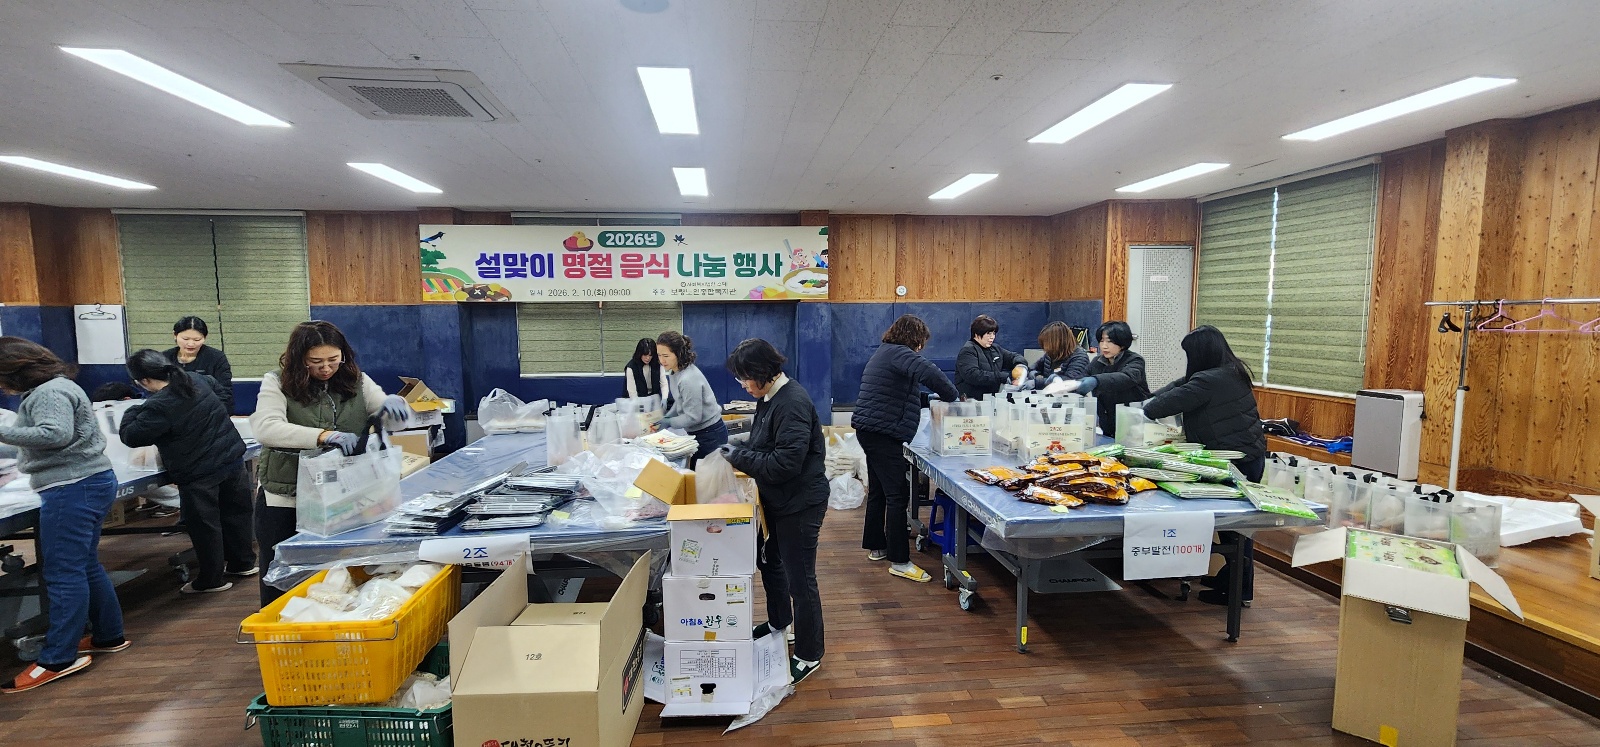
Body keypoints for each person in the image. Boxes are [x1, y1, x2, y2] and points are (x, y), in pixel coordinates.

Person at [249, 321, 410, 606]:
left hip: (343, 499)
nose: (326, 368)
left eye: (333, 360)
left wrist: (396, 410)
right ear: (299, 358)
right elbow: (266, 428)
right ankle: (280, 626)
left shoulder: (357, 381)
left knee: (335, 575)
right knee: (281, 572)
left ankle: (327, 625)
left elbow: (389, 418)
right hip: (286, 496)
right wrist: (324, 436)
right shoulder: (277, 382)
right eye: (316, 362)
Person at [0, 337, 127, 693]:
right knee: (83, 564)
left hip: (71, 487)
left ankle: (58, 658)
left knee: (62, 572)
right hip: (86, 481)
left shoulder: (49, 392)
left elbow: (54, 434)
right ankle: (108, 635)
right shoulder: (56, 387)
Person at [717, 338, 827, 685]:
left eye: (745, 378)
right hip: (776, 499)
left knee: (801, 579)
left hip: (800, 502)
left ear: (762, 372)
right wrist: (735, 445)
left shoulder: (792, 402)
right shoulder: (769, 397)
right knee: (769, 560)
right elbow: (763, 441)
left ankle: (809, 653)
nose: (743, 385)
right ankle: (781, 622)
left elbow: (785, 463)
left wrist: (737, 457)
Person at [1142, 325, 1267, 607]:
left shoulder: (1209, 380)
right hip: (1249, 457)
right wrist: (1154, 394)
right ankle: (1231, 580)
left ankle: (1238, 589)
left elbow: (1157, 407)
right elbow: (1181, 385)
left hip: (1236, 461)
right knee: (1235, 526)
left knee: (1236, 529)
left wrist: (1145, 404)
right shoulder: (1230, 371)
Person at [119, 349, 255, 594]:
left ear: (144, 381)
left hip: (199, 471)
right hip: (231, 458)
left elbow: (131, 436)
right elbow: (222, 395)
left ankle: (211, 580)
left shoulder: (158, 405)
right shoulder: (196, 379)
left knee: (205, 526)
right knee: (236, 515)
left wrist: (132, 409)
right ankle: (242, 564)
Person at [851, 315, 959, 582]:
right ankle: (899, 561)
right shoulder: (901, 353)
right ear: (914, 339)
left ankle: (877, 546)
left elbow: (898, 392)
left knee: (879, 490)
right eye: (921, 342)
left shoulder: (885, 353)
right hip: (882, 434)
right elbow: (931, 373)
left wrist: (929, 399)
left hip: (871, 430)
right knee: (897, 495)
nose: (921, 348)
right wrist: (952, 397)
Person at [91, 383, 182, 518]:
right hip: (133, 463)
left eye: (107, 406)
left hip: (166, 458)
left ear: (126, 400)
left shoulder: (148, 410)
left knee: (138, 467)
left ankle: (179, 502)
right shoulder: (104, 419)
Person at [655, 331, 727, 463]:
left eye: (666, 356)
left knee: (706, 473)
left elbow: (693, 417)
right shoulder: (675, 372)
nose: (662, 360)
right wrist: (667, 417)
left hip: (710, 435)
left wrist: (669, 422)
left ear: (678, 354)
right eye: (659, 355)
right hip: (699, 432)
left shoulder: (688, 378)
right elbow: (680, 400)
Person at [1072, 321, 1151, 438]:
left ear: (1122, 343)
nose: (1104, 346)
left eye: (1109, 341)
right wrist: (1063, 383)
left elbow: (1126, 378)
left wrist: (1096, 380)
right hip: (1107, 424)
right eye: (1101, 341)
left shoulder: (1135, 360)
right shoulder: (1097, 362)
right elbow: (1081, 378)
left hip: (1134, 425)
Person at [164, 316, 233, 413]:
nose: (191, 344)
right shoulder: (164, 358)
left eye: (197, 340)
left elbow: (224, 393)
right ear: (175, 335)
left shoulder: (216, 358)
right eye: (185, 339)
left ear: (205, 338)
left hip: (207, 412)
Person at [954, 315, 1027, 398]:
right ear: (977, 334)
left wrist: (1020, 366)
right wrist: (1004, 377)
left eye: (994, 333)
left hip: (991, 399)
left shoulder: (995, 349)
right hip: (971, 400)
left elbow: (1014, 357)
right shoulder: (968, 351)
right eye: (988, 333)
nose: (992, 337)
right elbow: (973, 375)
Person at [1030, 322, 1089, 390]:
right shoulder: (1050, 355)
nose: (1044, 348)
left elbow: (1069, 382)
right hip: (1049, 393)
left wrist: (1037, 383)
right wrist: (1033, 374)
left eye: (1045, 344)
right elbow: (1034, 368)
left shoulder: (1080, 357)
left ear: (1056, 343)